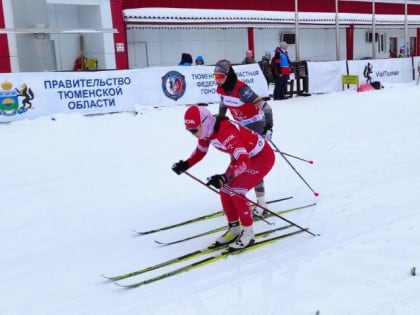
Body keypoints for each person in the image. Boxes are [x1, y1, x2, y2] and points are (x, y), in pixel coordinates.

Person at [171, 105, 275, 249]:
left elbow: (244, 161)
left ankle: (248, 233)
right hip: (243, 158)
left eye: (194, 130)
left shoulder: (226, 132)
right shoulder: (206, 130)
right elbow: (201, 151)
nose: (193, 134)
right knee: (225, 189)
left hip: (261, 158)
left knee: (236, 191)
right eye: (189, 130)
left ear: (204, 122)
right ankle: (234, 229)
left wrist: (225, 176)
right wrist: (185, 164)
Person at [213, 59, 274, 215]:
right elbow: (223, 103)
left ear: (228, 75)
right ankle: (238, 195)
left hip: (255, 125)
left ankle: (261, 203)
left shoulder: (241, 89)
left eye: (220, 77)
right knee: (239, 160)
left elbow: (266, 107)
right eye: (215, 77)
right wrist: (220, 119)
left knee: (252, 164)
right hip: (240, 127)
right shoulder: (221, 89)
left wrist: (269, 127)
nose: (217, 80)